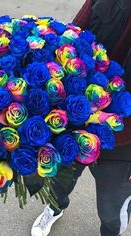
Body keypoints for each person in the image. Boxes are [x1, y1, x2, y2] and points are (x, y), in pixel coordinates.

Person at [31, 1, 131, 236]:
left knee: (112, 206)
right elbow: (73, 33)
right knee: (59, 179)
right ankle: (55, 208)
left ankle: (110, 232)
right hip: (78, 115)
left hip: (124, 141)